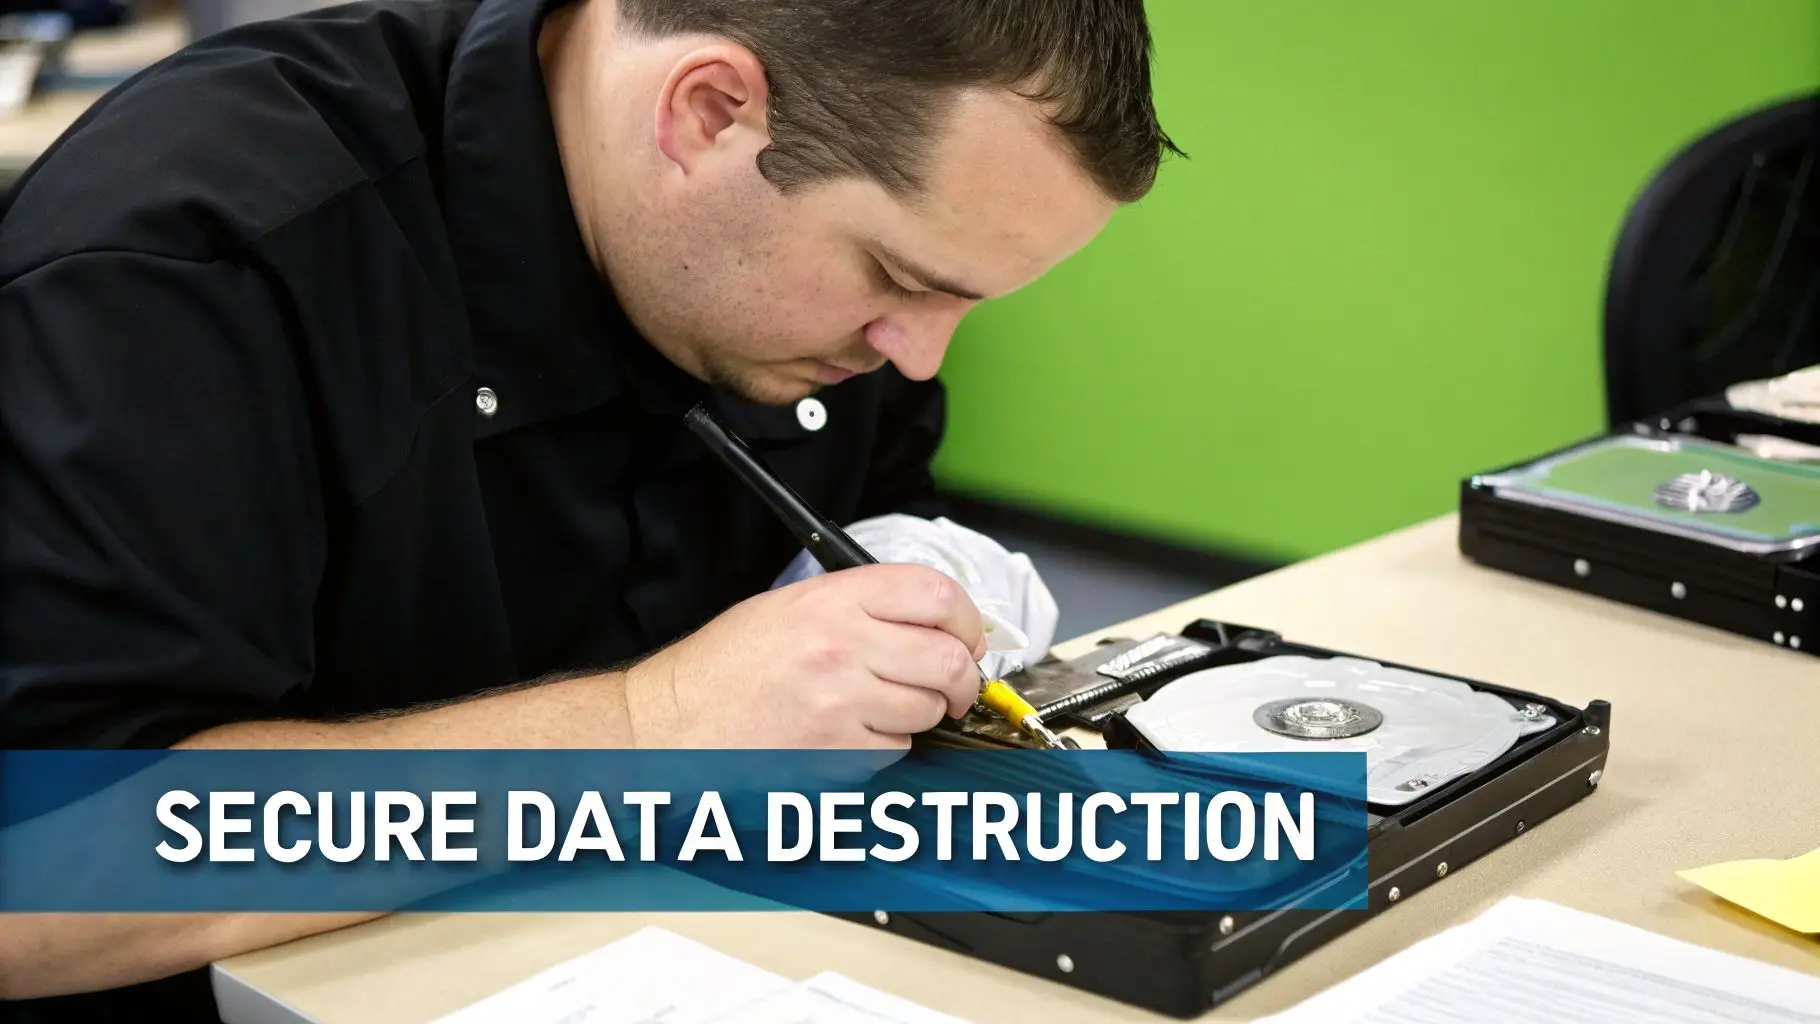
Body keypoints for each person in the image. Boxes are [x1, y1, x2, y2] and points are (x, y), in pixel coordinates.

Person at [0, 0, 1178, 1016]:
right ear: (708, 111)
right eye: (898, 279)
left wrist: (905, 585)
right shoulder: (193, 257)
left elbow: (873, 498)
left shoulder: (797, 282)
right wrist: (644, 730)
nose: (916, 360)